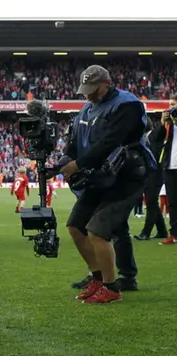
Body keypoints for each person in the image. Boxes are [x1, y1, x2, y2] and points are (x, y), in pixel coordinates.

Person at [60, 65, 155, 304]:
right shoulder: (86, 110)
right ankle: (98, 279)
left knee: (97, 230)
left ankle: (111, 288)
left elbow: (112, 140)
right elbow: (72, 142)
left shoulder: (128, 104)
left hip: (127, 175)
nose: (88, 94)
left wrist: (78, 164)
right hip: (99, 177)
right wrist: (64, 160)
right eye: (85, 90)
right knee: (75, 226)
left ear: (107, 83)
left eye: (92, 89)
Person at [135, 116, 167, 240]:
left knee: (151, 201)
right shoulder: (143, 139)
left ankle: (146, 232)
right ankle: (162, 231)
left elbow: (160, 130)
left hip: (155, 174)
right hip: (149, 174)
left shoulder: (154, 135)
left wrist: (164, 120)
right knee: (152, 202)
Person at [152, 94, 177, 245]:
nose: (171, 108)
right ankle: (174, 234)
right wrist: (163, 124)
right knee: (173, 202)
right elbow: (155, 138)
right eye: (170, 105)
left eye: (173, 104)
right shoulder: (168, 125)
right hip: (170, 167)